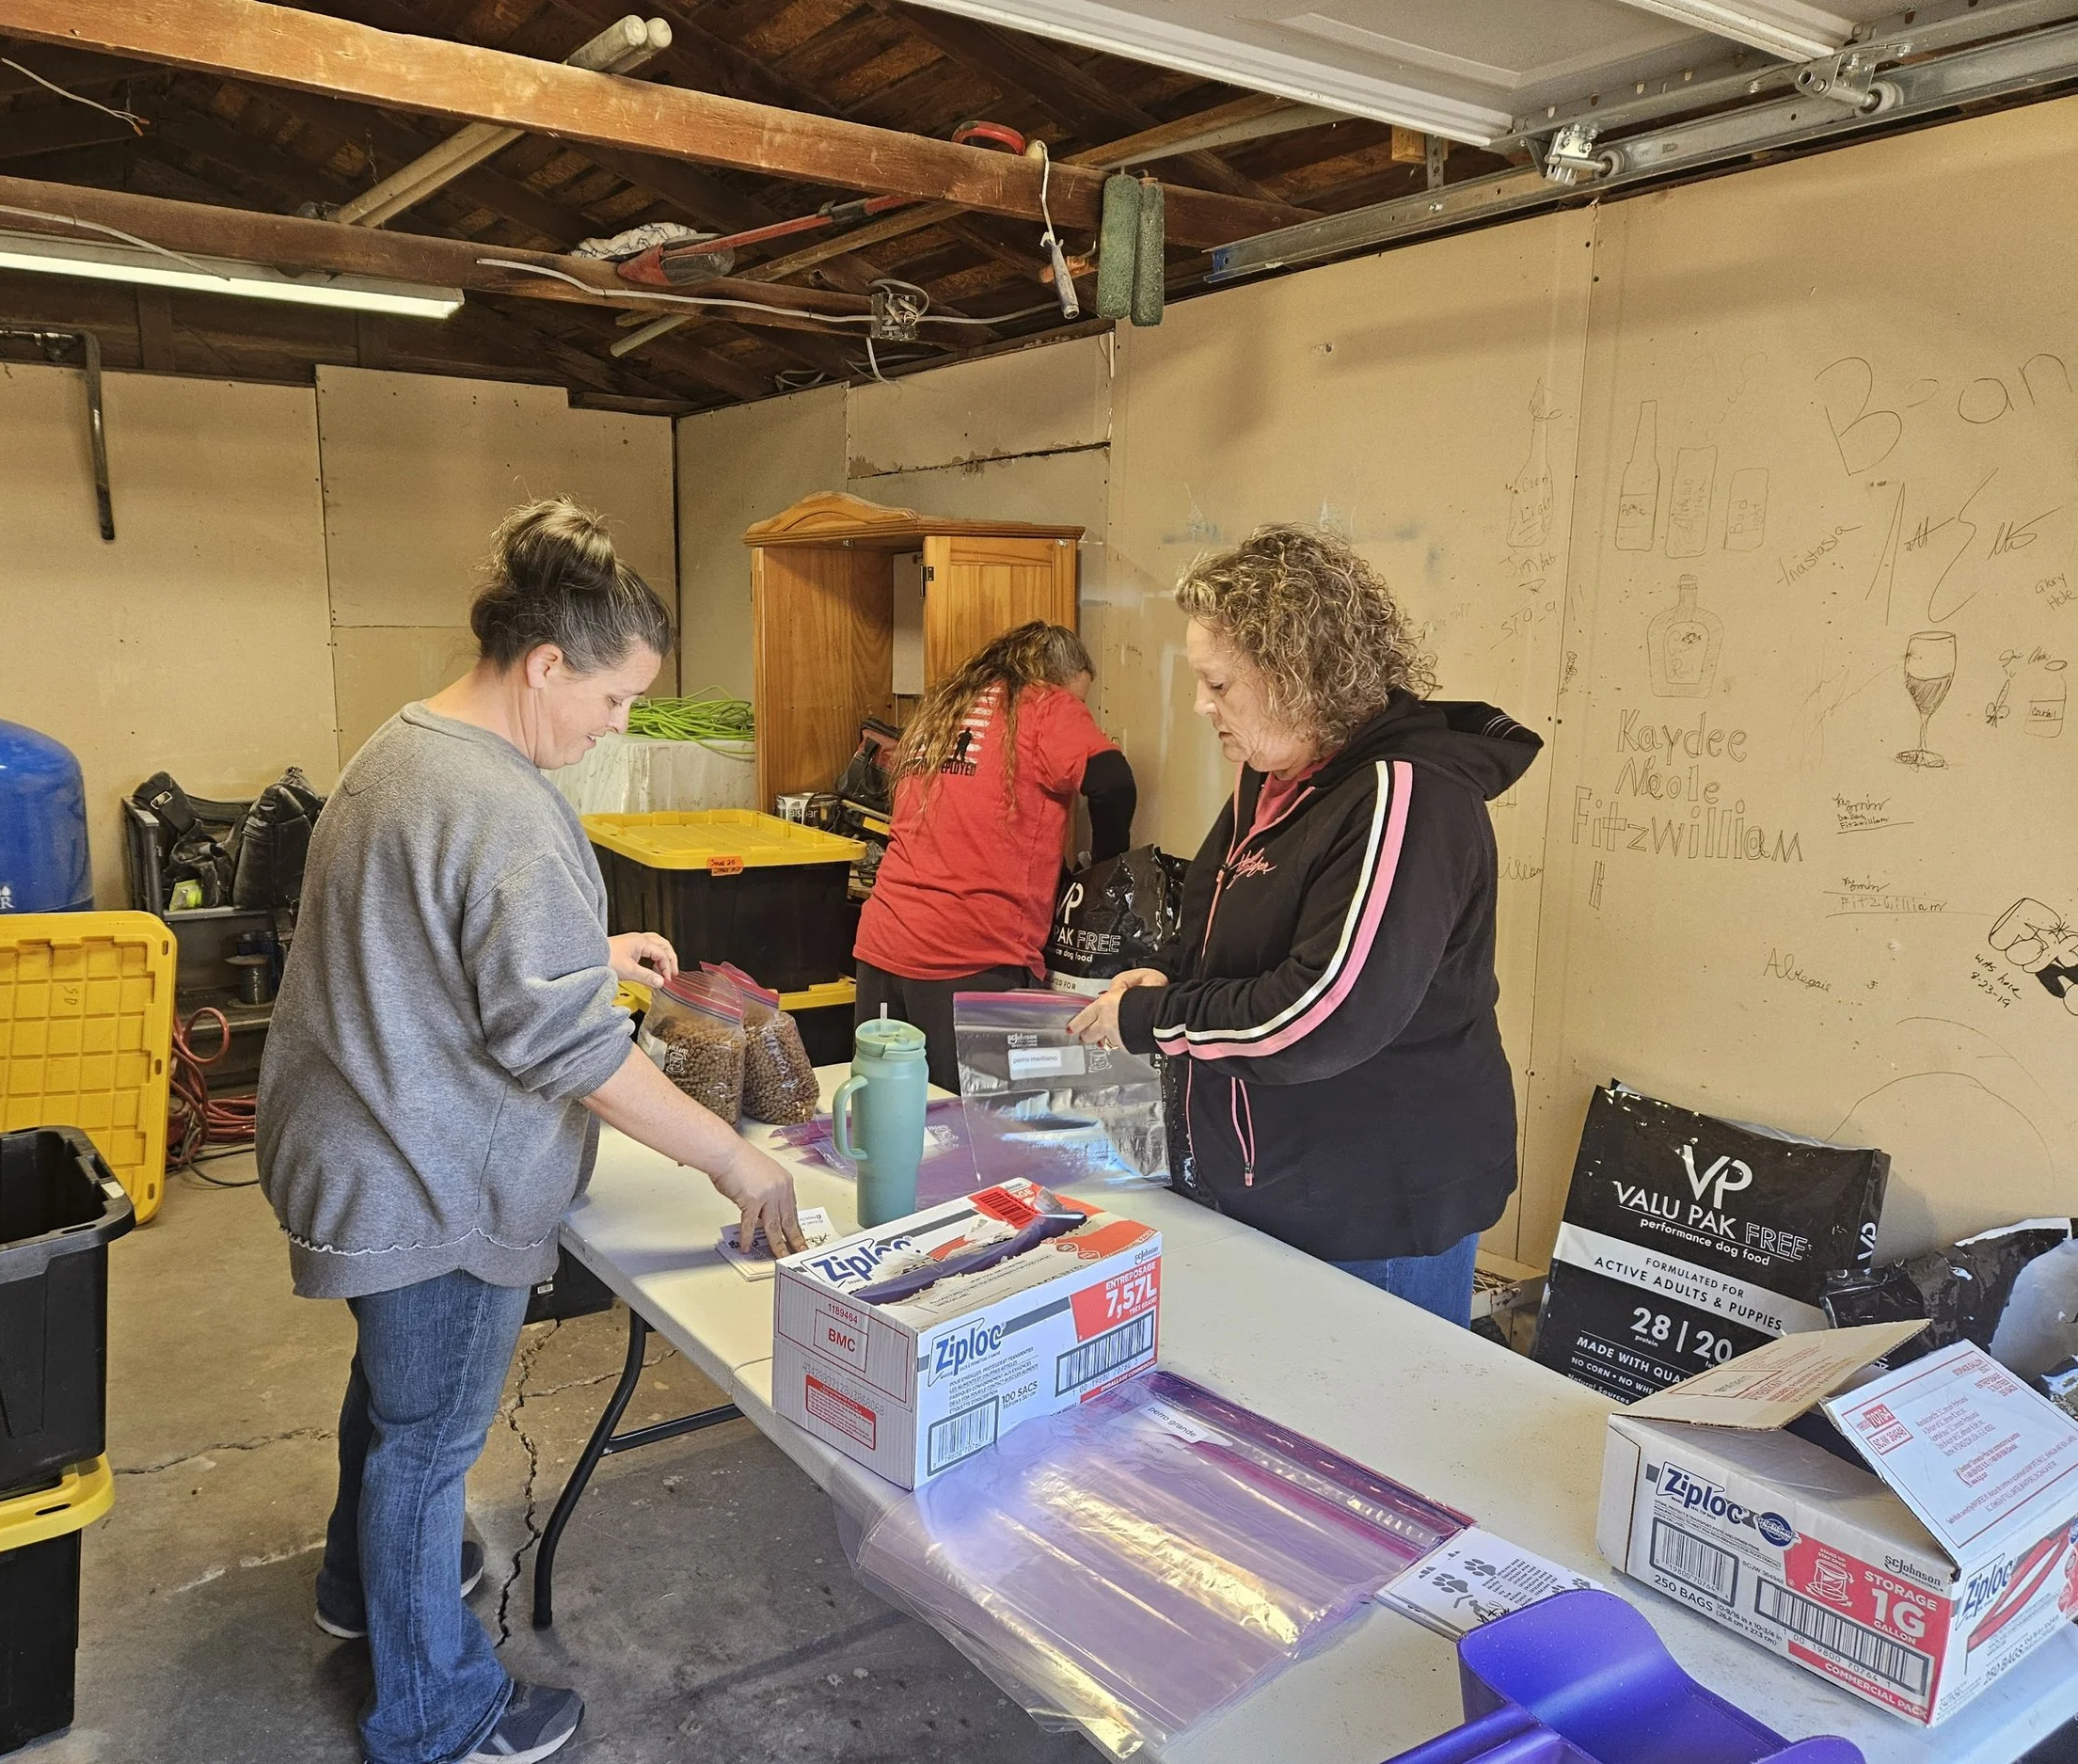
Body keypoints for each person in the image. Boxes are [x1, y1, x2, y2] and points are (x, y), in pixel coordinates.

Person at [257, 499, 804, 1764]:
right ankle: (435, 1709)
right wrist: (729, 1153)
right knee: (434, 1438)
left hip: (354, 1144)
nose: (618, 729)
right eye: (615, 701)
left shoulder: (412, 745)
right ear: (548, 663)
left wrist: (583, 949)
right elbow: (570, 1050)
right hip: (422, 1172)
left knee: (398, 1400)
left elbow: (431, 937)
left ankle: (362, 1584)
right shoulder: (502, 802)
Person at [1069, 526, 1540, 1327]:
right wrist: (1172, 977)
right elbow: (1219, 920)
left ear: (1297, 676)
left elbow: (1322, 1015)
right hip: (1275, 1188)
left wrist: (1153, 1019)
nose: (1199, 706)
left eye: (1218, 684)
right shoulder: (1273, 778)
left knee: (1371, 1437)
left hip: (1373, 1211)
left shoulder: (1405, 797)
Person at [853, 620, 1135, 1093]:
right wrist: (1107, 872)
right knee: (973, 1135)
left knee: (894, 1114)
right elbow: (1113, 781)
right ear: (1057, 678)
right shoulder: (1043, 704)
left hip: (883, 948)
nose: (1079, 711)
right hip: (970, 955)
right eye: (1080, 698)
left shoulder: (946, 709)